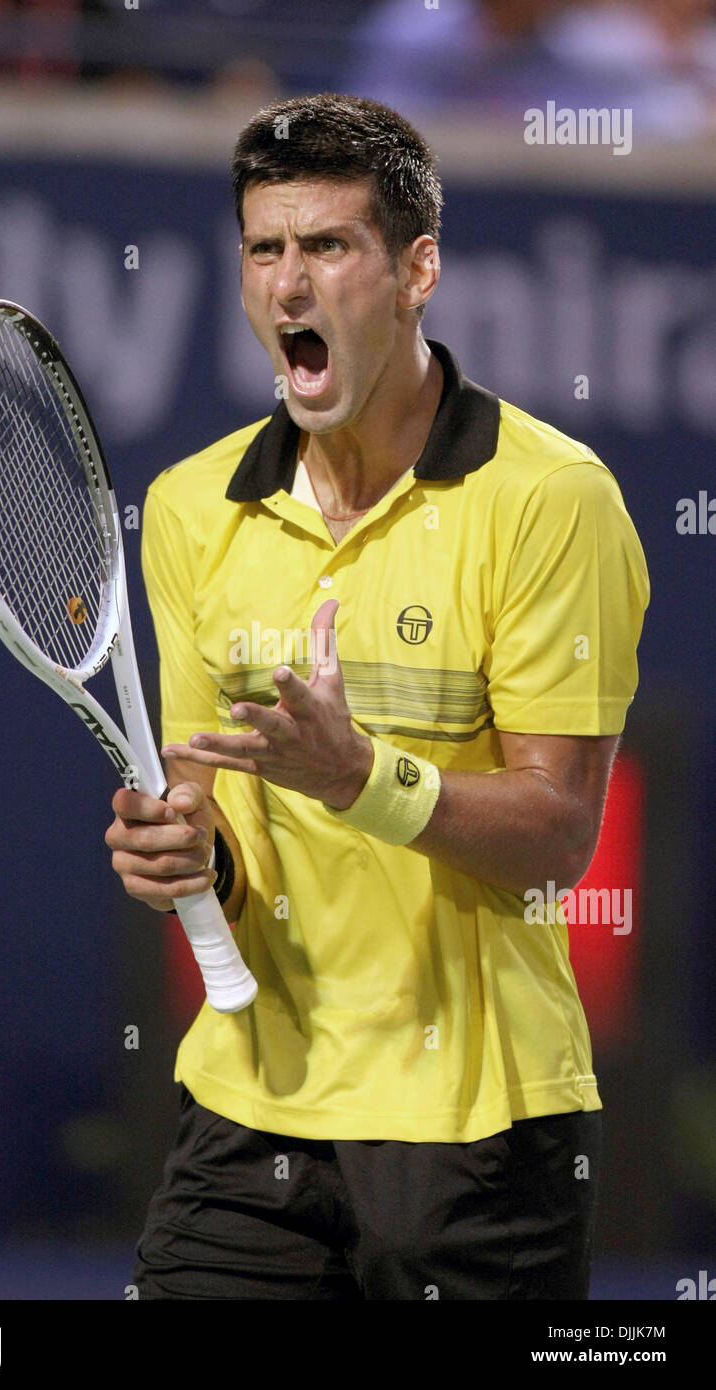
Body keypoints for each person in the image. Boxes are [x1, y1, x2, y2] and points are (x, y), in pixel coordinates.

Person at [106, 92, 650, 1300]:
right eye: (263, 249)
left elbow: (558, 839)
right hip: (249, 1114)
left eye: (328, 247)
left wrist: (359, 777)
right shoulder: (197, 509)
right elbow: (211, 814)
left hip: (480, 1136)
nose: (287, 286)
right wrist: (180, 854)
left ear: (417, 270)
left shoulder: (551, 500)